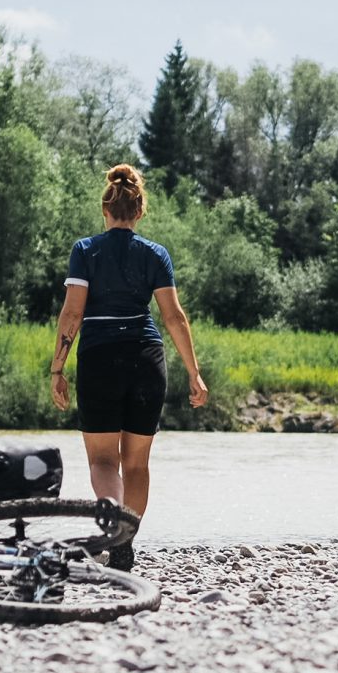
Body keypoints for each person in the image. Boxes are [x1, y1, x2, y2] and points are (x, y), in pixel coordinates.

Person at [50, 163, 208, 570]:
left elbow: (72, 315)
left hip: (100, 358)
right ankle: (125, 542)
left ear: (106, 211)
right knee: (137, 463)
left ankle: (114, 531)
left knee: (103, 462)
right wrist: (194, 372)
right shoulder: (156, 254)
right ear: (139, 212)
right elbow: (175, 317)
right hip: (146, 359)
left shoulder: (85, 251)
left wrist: (57, 369)